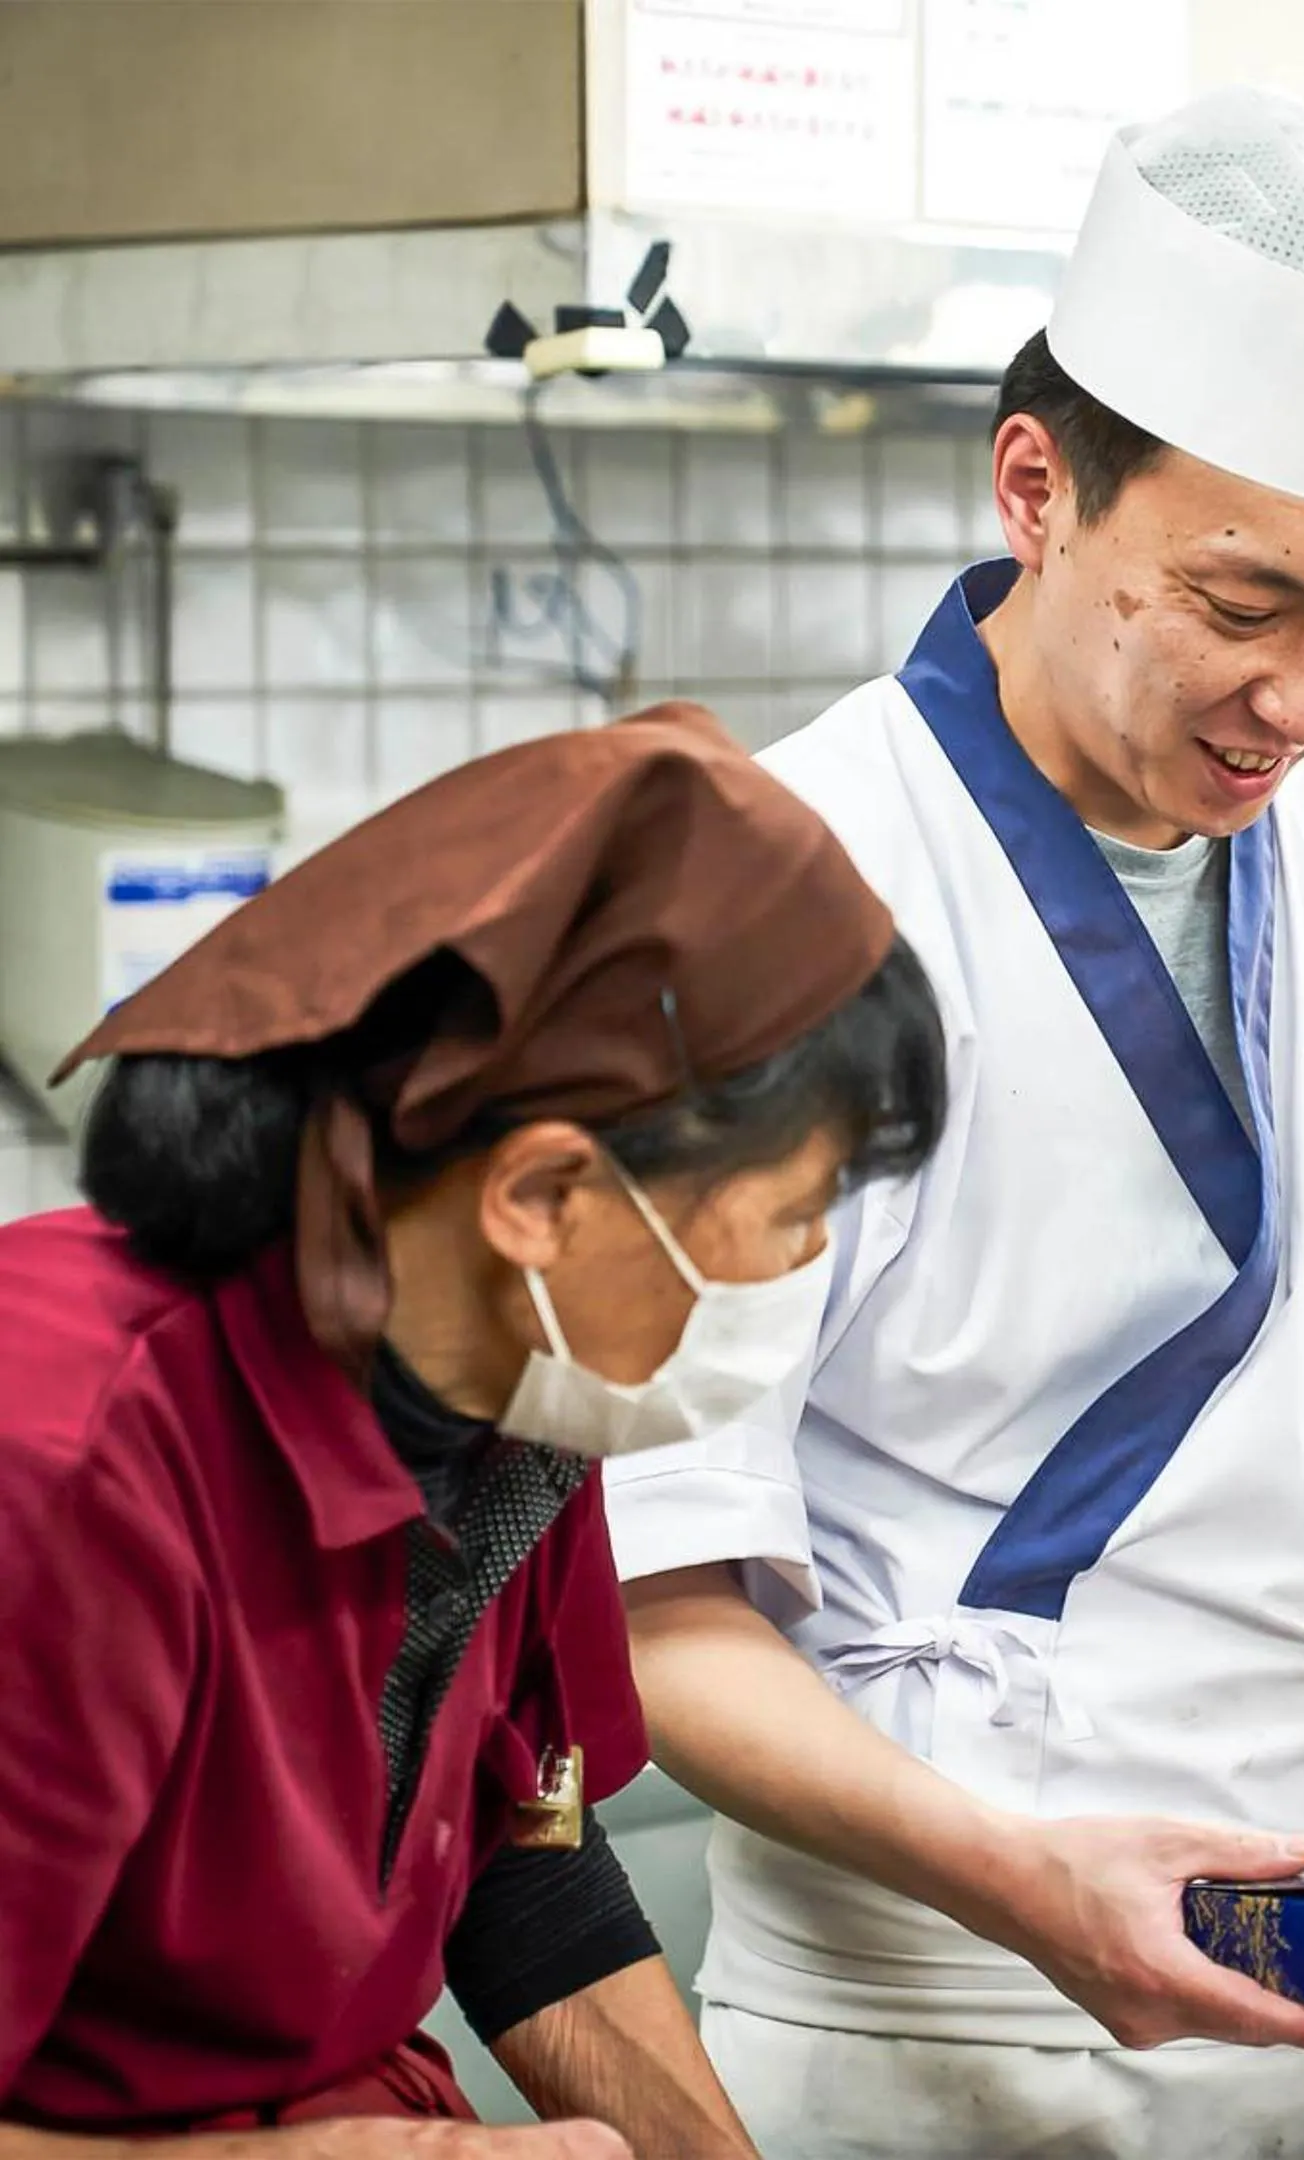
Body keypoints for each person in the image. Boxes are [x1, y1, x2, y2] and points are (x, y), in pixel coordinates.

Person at [604, 87, 1304, 2160]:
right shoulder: (781, 881)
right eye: (1247, 604)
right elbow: (655, 1611)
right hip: (937, 2027)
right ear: (1036, 489)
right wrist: (1016, 1881)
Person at [0, 706, 948, 2156]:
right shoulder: (61, 1464)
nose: (799, 1275)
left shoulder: (520, 1404)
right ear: (543, 1199)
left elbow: (529, 1869)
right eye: (788, 1220)